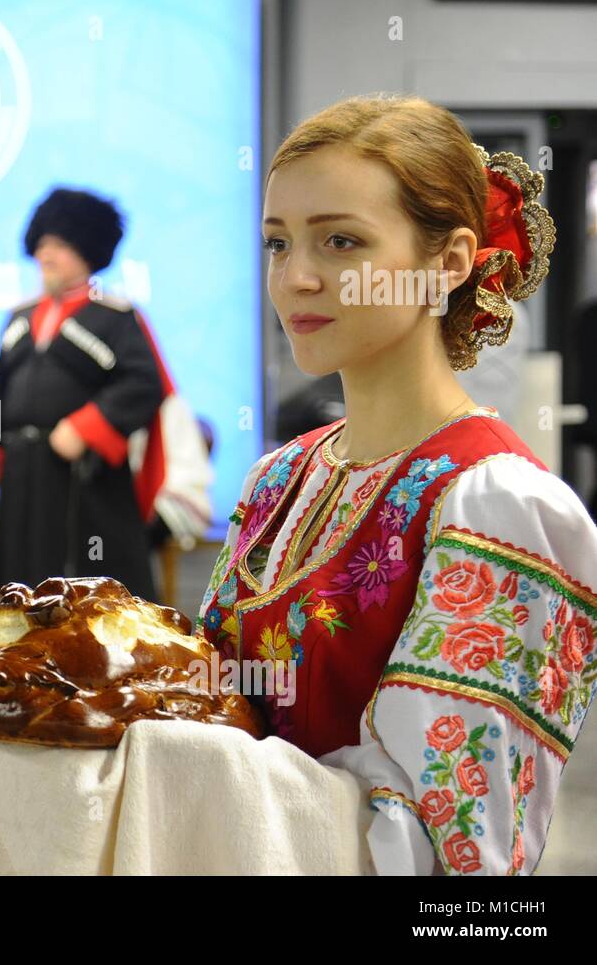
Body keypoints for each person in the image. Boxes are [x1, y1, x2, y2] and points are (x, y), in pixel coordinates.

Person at [198, 94, 596, 874]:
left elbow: (453, 848)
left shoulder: (499, 504)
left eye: (341, 241)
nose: (297, 278)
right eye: (278, 244)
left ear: (446, 263)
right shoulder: (281, 477)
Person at [0, 188, 169, 601]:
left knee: (86, 598)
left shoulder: (117, 317)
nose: (46, 254)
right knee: (14, 590)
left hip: (86, 484)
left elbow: (145, 383)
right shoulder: (19, 317)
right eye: (42, 243)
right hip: (22, 479)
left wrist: (86, 427)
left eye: (59, 244)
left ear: (88, 250)